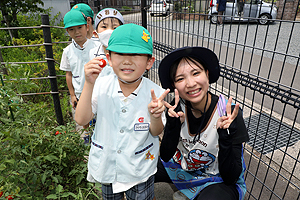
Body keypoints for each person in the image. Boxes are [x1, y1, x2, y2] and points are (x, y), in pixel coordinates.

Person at [75, 23, 170, 200]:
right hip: (107, 165)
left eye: (135, 54)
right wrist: (88, 83)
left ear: (149, 62)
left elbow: (156, 131)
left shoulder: (156, 93)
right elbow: (81, 119)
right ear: (109, 58)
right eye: (120, 54)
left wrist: (155, 116)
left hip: (140, 167)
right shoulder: (100, 85)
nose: (127, 61)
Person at [155, 46, 249, 200]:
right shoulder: (177, 107)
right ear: (174, 86)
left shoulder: (228, 114)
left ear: (207, 73)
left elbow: (230, 177)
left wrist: (224, 135)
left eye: (196, 73)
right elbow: (165, 155)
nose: (190, 83)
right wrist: (173, 125)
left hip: (217, 177)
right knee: (143, 169)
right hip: (183, 167)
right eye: (180, 78)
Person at [60, 9, 99, 144]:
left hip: (98, 90)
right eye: (71, 29)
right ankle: (87, 137)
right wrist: (72, 95)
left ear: (87, 26)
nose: (76, 32)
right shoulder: (67, 51)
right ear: (67, 32)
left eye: (79, 27)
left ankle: (98, 137)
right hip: (79, 92)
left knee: (99, 118)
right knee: (83, 118)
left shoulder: (97, 46)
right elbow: (68, 73)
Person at [87, 8, 124, 77]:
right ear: (96, 34)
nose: (109, 31)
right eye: (104, 27)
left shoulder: (127, 54)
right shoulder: (93, 53)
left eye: (115, 27)